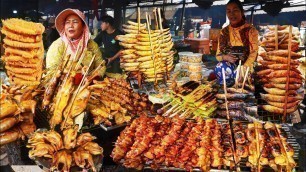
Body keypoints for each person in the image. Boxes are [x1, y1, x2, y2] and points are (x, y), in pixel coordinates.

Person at [46, 8, 106, 77]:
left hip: (87, 86)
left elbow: (101, 65)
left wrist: (93, 77)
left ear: (83, 26)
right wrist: (74, 77)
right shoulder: (57, 45)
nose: (71, 25)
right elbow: (51, 71)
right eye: (67, 22)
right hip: (63, 86)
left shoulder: (91, 45)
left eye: (75, 22)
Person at [215, 0, 258, 85]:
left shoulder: (251, 30)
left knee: (244, 76)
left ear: (242, 12)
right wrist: (225, 57)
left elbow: (254, 53)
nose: (232, 14)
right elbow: (218, 55)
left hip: (247, 67)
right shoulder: (223, 32)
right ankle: (227, 90)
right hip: (229, 68)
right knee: (219, 67)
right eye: (229, 11)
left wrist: (244, 68)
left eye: (235, 10)